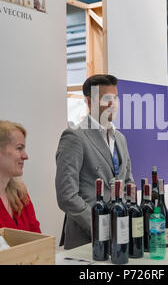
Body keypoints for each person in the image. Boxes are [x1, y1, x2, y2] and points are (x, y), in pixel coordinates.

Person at [55, 74, 134, 250]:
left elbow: (128, 181)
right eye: (107, 99)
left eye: (116, 98)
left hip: (120, 234)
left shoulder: (120, 138)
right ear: (90, 102)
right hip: (87, 239)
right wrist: (100, 227)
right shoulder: (74, 137)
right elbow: (67, 196)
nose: (113, 104)